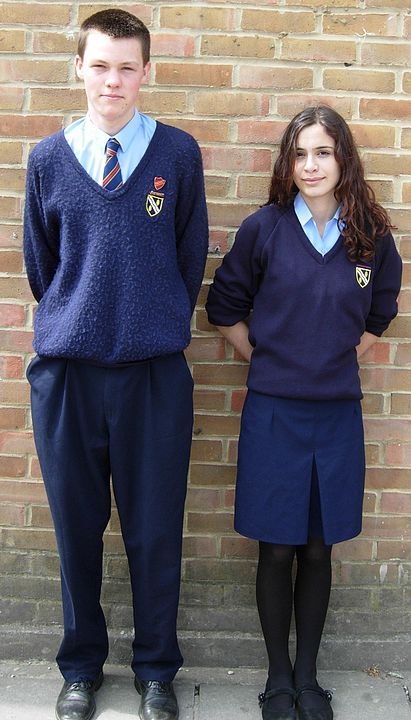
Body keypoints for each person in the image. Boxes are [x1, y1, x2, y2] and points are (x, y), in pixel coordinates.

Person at [24, 9, 208, 720]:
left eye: (127, 66)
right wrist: (81, 320)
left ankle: (156, 671)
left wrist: (151, 318)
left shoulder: (178, 154)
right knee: (76, 528)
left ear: (147, 71)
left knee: (155, 528)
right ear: (79, 67)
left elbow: (188, 259)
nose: (113, 79)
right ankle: (80, 667)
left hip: (154, 374)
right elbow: (44, 266)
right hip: (69, 375)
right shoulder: (47, 159)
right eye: (100, 64)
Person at [206, 105, 402, 720]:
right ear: (287, 164)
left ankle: (312, 677)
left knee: (319, 549)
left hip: (336, 415)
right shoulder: (264, 230)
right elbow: (224, 307)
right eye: (300, 154)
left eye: (323, 152)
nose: (311, 165)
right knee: (277, 548)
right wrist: (267, 359)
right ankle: (279, 679)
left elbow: (380, 313)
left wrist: (334, 362)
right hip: (273, 413)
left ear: (343, 157)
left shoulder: (369, 235)